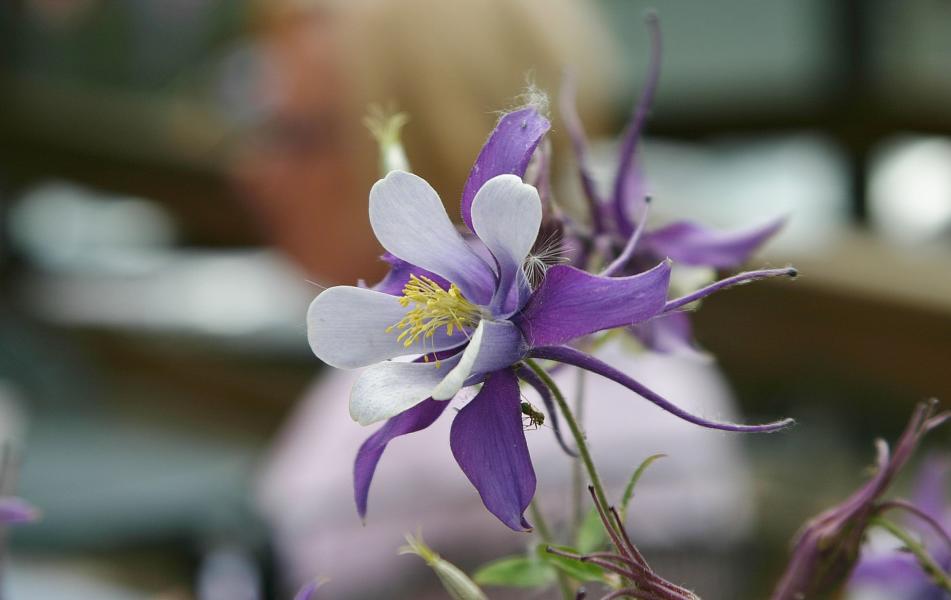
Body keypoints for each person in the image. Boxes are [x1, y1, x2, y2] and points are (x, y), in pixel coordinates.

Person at [244, 1, 755, 596]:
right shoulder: (667, 370)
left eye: (292, 134)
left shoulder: (397, 462)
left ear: (440, 130)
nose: (252, 169)